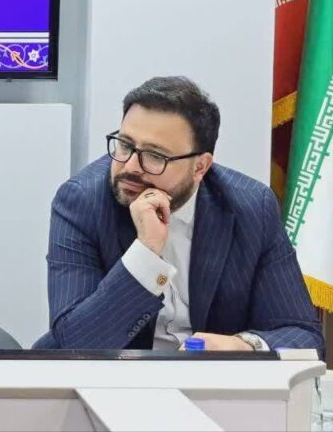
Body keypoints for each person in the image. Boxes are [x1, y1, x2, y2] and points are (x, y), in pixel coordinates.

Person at [36, 76, 322, 352]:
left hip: (211, 383)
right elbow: (75, 344)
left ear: (200, 167)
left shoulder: (250, 207)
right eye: (125, 144)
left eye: (155, 156)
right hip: (110, 377)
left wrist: (242, 345)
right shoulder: (82, 202)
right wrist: (146, 254)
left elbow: (303, 335)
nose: (130, 166)